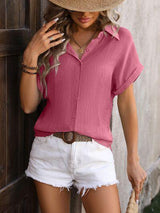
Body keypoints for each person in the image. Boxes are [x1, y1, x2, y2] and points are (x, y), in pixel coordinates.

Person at [19, 0, 147, 212]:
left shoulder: (120, 40)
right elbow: (28, 105)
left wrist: (133, 159)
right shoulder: (51, 40)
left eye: (91, 4)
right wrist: (31, 54)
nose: (85, 12)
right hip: (49, 152)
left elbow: (126, 104)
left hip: (95, 155)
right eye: (77, 4)